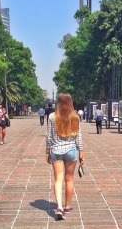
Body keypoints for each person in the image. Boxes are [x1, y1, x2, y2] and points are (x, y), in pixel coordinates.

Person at [46, 93, 84, 221]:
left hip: (56, 150)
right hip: (71, 150)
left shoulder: (52, 117)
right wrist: (81, 152)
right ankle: (67, 206)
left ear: (59, 103)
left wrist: (47, 151)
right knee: (69, 180)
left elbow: (49, 136)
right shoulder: (75, 116)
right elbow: (79, 136)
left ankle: (59, 207)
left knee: (58, 179)